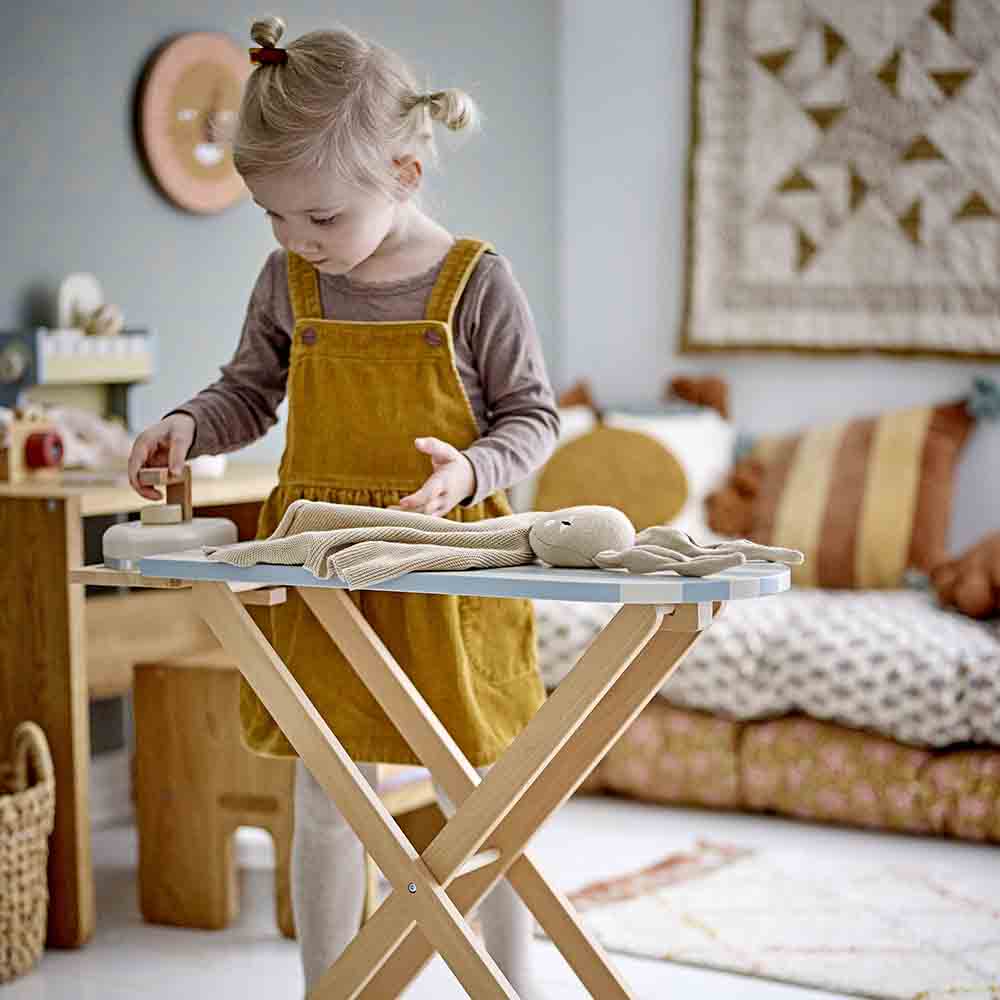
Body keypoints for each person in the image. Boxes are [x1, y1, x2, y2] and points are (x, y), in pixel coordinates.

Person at [127, 13, 559, 996]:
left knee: (480, 795)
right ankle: (331, 985)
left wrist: (470, 472)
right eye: (273, 217)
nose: (296, 241)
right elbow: (248, 391)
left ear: (403, 173)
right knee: (327, 797)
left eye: (319, 218)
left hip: (448, 573)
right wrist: (189, 424)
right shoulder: (290, 279)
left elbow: (534, 418)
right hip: (325, 574)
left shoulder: (477, 283)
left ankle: (513, 985)